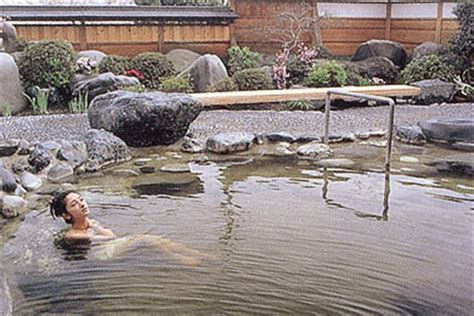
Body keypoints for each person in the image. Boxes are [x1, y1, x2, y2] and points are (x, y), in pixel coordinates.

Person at [50, 190, 202, 265]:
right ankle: (181, 258)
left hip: (108, 245)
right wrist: (94, 226)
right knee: (146, 239)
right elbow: (110, 237)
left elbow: (111, 234)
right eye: (74, 204)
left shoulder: (90, 222)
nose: (82, 204)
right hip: (102, 254)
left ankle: (192, 253)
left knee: (155, 238)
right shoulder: (72, 235)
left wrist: (92, 224)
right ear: (66, 215)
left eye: (81, 199)